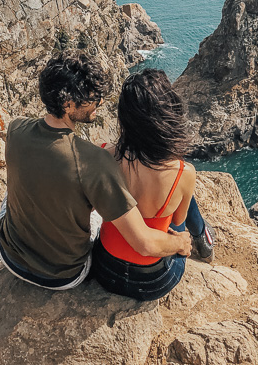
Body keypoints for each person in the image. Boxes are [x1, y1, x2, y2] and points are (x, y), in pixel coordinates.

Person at [0, 51, 191, 290]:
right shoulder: (93, 161)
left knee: (9, 195)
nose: (101, 102)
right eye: (93, 97)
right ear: (68, 104)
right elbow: (144, 243)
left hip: (9, 257)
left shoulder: (15, 128)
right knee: (94, 212)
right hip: (63, 276)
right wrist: (179, 244)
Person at [92, 68, 215, 301]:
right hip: (153, 281)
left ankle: (202, 234)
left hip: (105, 270)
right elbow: (178, 222)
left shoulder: (102, 156)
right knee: (181, 193)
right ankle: (202, 237)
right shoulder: (184, 171)